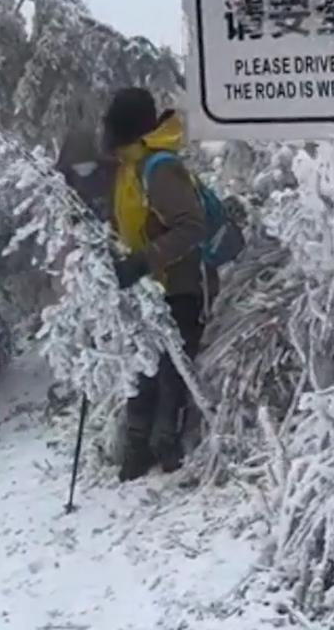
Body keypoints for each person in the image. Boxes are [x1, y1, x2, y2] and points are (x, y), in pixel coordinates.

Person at [103, 88, 217, 482]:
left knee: (171, 369)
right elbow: (127, 224)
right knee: (141, 365)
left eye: (110, 122)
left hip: (177, 285)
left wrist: (144, 260)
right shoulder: (126, 166)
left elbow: (192, 227)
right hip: (144, 287)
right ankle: (137, 447)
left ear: (124, 127)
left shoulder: (159, 167)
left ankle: (166, 448)